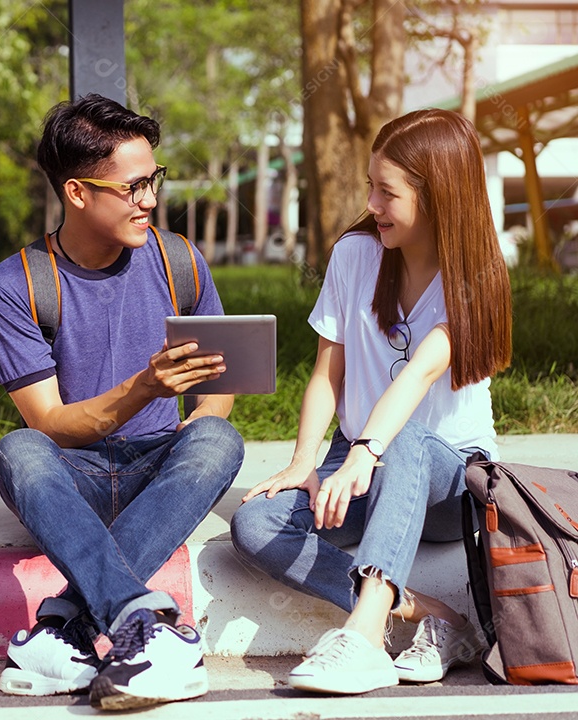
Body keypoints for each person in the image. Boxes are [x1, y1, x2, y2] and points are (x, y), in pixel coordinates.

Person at [231, 108, 512, 695]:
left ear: (437, 198)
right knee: (255, 522)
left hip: (450, 478)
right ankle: (429, 611)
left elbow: (415, 379)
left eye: (388, 192)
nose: (373, 203)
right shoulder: (355, 256)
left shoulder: (475, 278)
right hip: (358, 460)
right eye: (370, 186)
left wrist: (366, 450)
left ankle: (362, 636)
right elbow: (325, 376)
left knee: (405, 440)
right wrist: (306, 461)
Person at [0, 94, 245, 711]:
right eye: (131, 187)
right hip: (77, 476)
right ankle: (142, 623)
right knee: (19, 450)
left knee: (216, 439)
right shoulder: (14, 285)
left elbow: (219, 386)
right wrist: (145, 387)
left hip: (160, 467)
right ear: (76, 193)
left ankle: (63, 628)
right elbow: (49, 424)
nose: (149, 199)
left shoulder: (180, 259)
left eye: (154, 180)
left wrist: (196, 429)